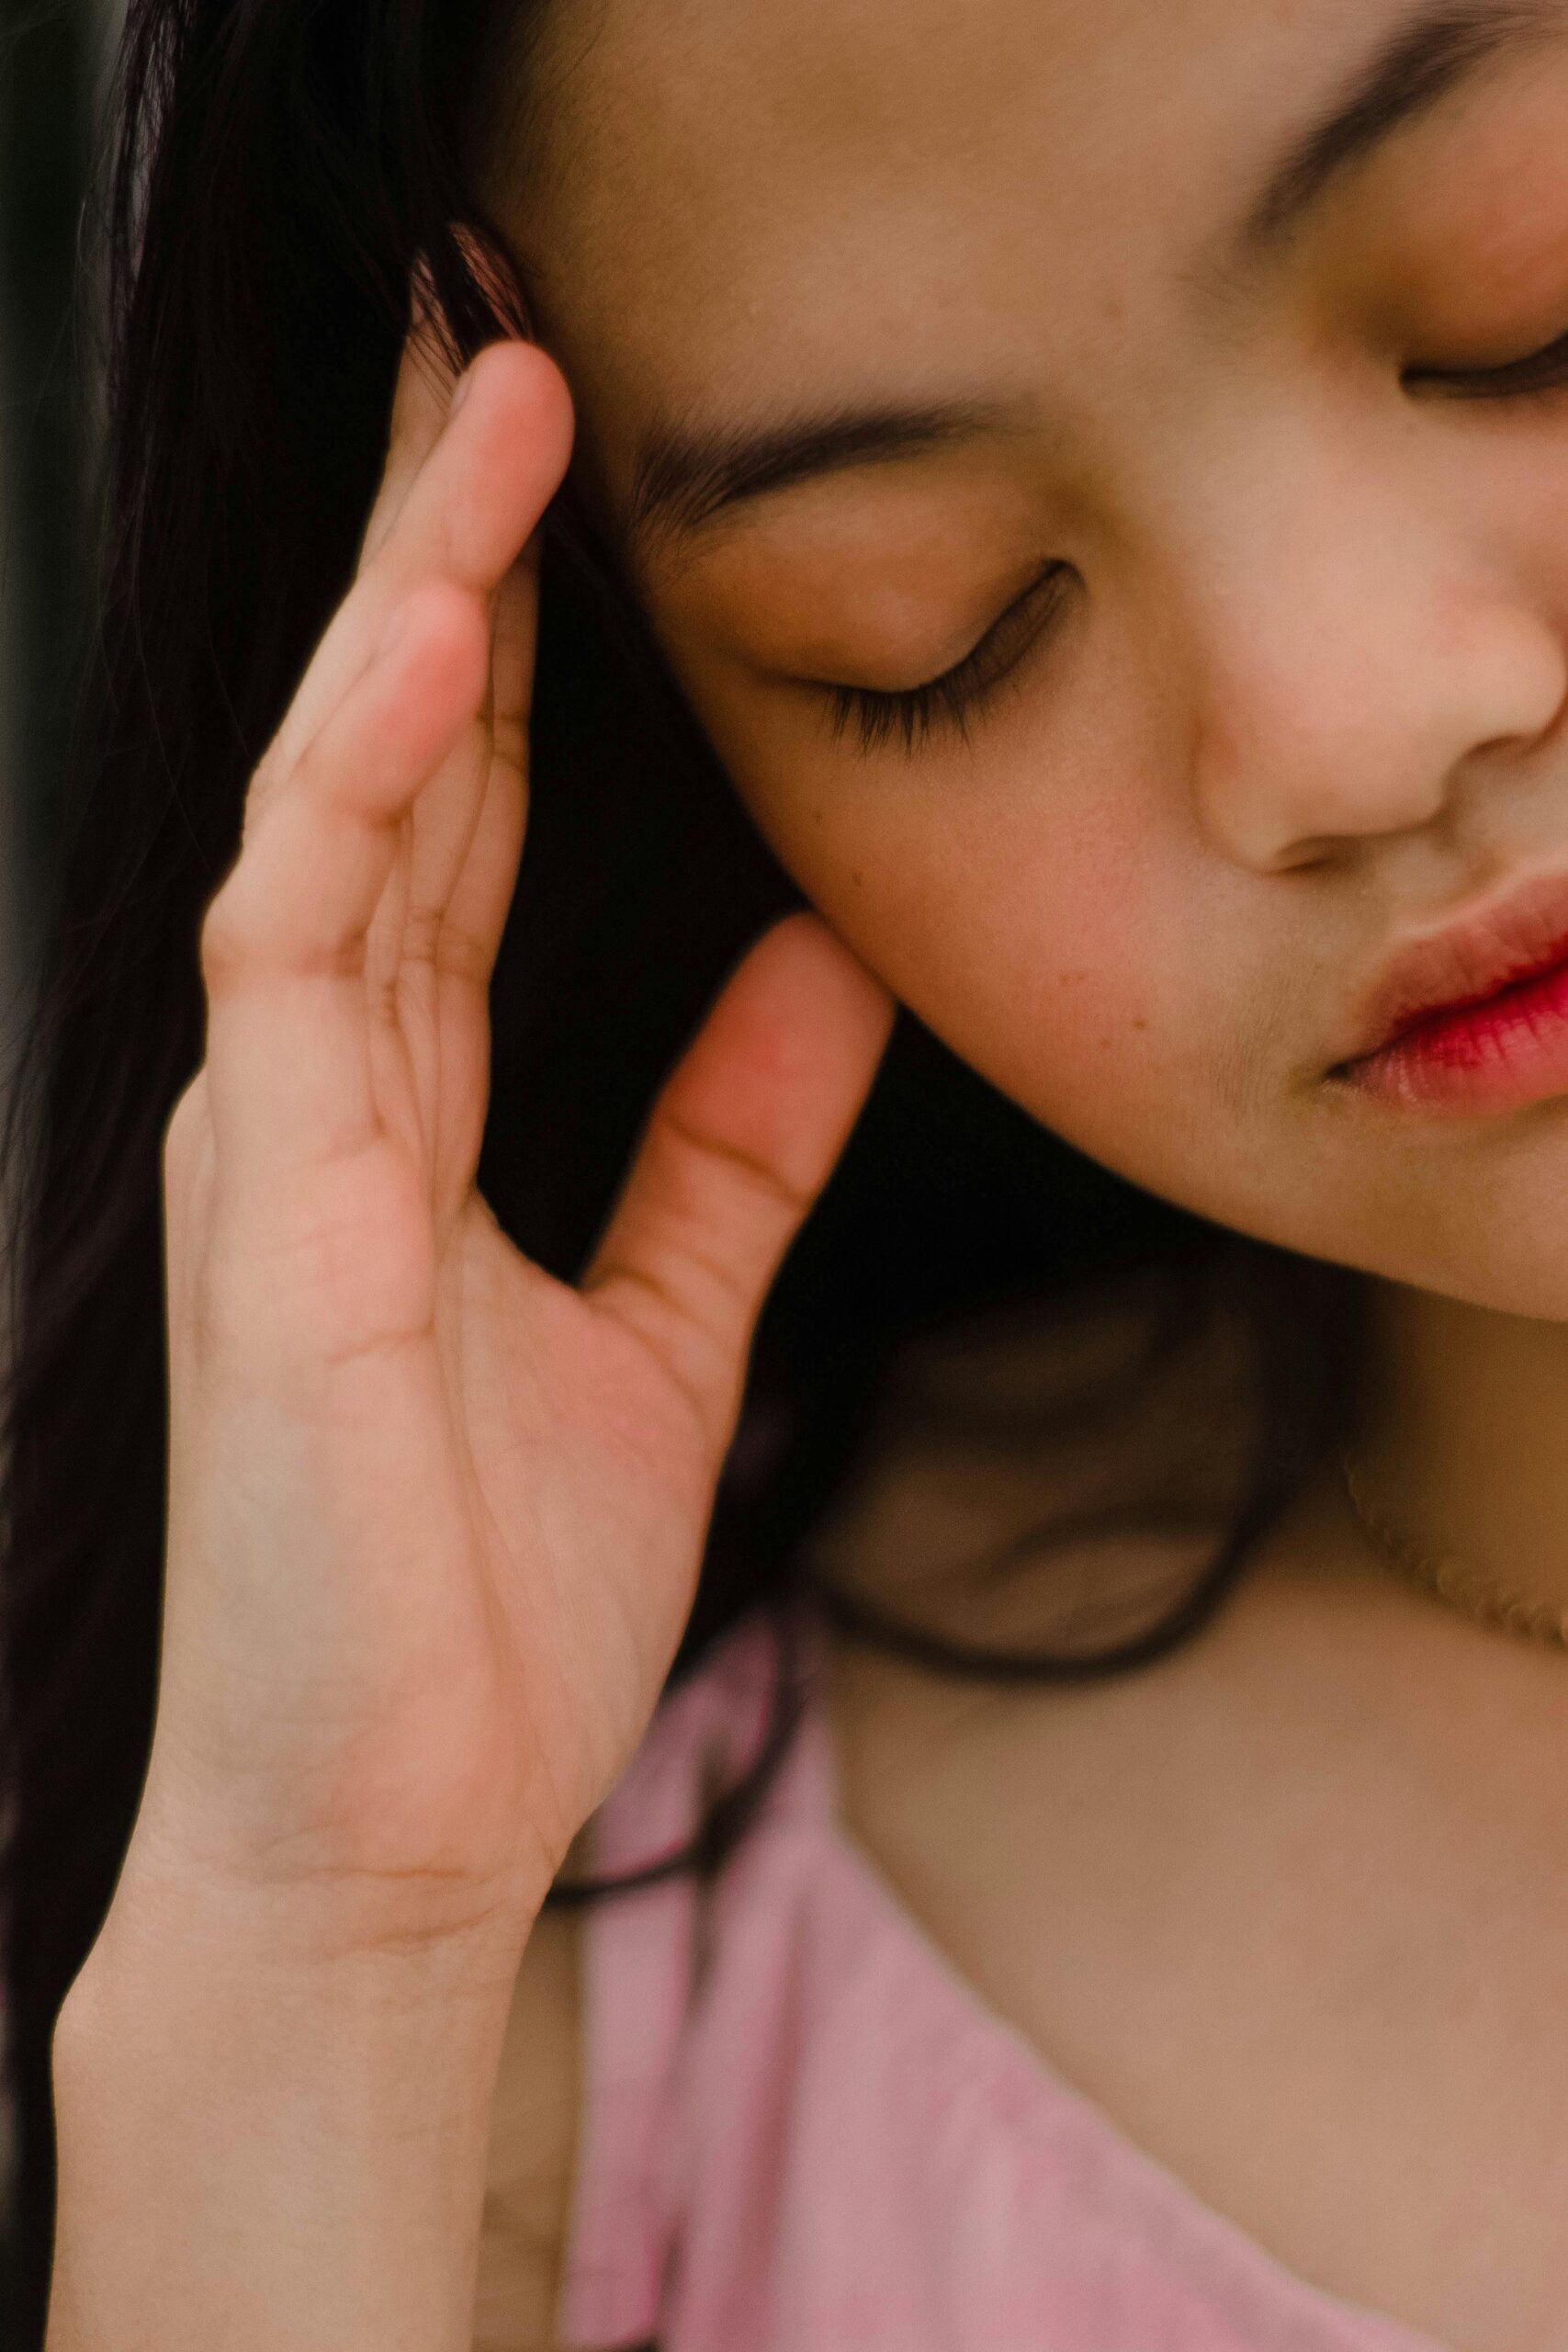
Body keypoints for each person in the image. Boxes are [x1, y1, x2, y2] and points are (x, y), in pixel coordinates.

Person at [10, 0, 1568, 2343]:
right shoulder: (591, 2009)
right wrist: (318, 1957)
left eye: (1529, 311)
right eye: (932, 629)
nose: (1347, 722)